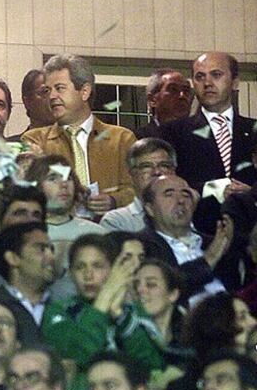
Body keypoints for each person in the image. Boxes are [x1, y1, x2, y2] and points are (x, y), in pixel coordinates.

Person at [22, 53, 136, 214]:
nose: (52, 96)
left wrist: (114, 200)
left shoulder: (122, 139)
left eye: (60, 88)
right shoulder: (35, 140)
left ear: (84, 92)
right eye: (48, 90)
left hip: (112, 230)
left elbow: (138, 188)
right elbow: (27, 193)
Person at [161, 51, 257, 196]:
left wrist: (252, 194)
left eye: (216, 75)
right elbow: (165, 185)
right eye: (200, 77)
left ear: (235, 82)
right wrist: (215, 190)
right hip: (198, 216)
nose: (207, 83)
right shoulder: (173, 133)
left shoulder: (253, 130)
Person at [41, 233, 142, 369]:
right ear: (70, 273)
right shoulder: (56, 311)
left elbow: (151, 363)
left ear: (113, 270)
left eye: (98, 266)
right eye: (80, 267)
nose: (88, 275)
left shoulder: (131, 310)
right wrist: (105, 297)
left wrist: (120, 316)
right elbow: (80, 355)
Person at [139, 174, 233, 303]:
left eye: (186, 194)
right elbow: (163, 288)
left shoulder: (214, 243)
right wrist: (208, 260)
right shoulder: (142, 247)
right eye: (169, 194)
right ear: (150, 209)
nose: (180, 200)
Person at [24, 154, 106, 300]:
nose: (64, 184)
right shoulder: (23, 235)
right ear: (36, 186)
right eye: (53, 178)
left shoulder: (97, 234)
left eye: (67, 178)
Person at [0, 222, 55, 343]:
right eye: (41, 249)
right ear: (13, 258)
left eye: (52, 250)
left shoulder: (64, 308)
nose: (51, 257)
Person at [101, 138, 177, 232]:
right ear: (131, 175)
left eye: (164, 165)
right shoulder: (116, 221)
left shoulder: (188, 211)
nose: (157, 172)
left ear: (174, 171)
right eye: (146, 166)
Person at [135, 69, 192, 139]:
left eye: (186, 90)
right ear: (152, 100)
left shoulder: (199, 140)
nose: (182, 95)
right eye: (173, 89)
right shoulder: (137, 139)